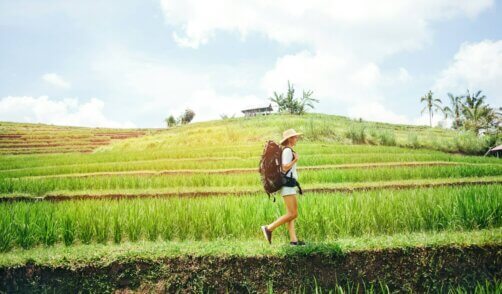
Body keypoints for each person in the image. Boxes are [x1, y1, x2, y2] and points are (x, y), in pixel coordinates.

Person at [261, 128, 305, 246]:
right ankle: (268, 228)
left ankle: (293, 241)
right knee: (293, 213)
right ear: (290, 139)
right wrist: (295, 160)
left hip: (289, 185)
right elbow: (285, 167)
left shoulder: (288, 150)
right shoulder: (287, 151)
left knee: (290, 214)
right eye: (295, 137)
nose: (297, 139)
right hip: (288, 185)